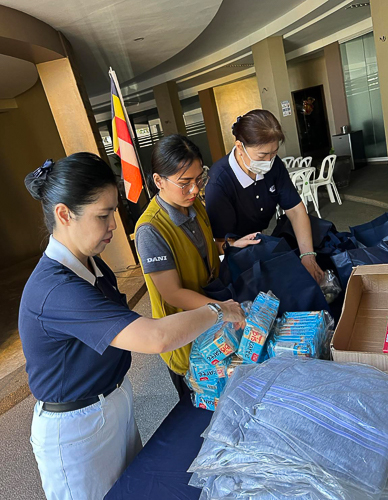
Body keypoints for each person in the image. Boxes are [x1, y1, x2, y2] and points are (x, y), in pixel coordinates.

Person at [19, 153, 244, 500]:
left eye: (114, 213)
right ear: (64, 214)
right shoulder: (56, 289)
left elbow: (135, 326)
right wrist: (218, 311)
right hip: (76, 426)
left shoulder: (91, 265)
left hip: (112, 402)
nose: (114, 226)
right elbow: (155, 338)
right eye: (103, 215)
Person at [135, 135, 259, 397]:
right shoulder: (151, 229)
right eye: (184, 183)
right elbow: (172, 293)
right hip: (187, 333)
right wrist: (221, 309)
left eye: (198, 179)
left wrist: (228, 246)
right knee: (198, 406)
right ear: (158, 181)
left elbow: (198, 245)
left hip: (213, 316)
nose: (194, 189)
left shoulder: (192, 204)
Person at [204, 109, 324, 284]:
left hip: (259, 241)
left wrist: (308, 255)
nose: (268, 161)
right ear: (240, 147)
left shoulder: (275, 166)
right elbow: (222, 242)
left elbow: (296, 211)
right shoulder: (219, 181)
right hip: (234, 252)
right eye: (262, 155)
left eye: (274, 153)